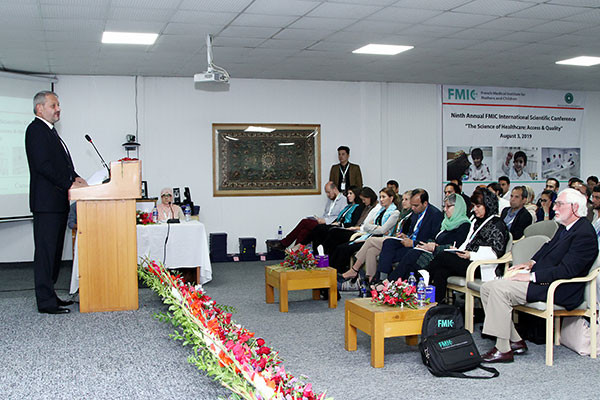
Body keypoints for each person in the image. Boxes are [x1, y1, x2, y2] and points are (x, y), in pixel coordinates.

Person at [479, 188, 598, 363]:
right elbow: (547, 247)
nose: (554, 208)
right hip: (545, 281)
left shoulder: (584, 233)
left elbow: (567, 272)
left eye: (559, 204)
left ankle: (503, 349)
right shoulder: (566, 227)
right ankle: (516, 340)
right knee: (487, 288)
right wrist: (531, 263)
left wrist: (531, 277)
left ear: (574, 207)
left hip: (560, 288)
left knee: (498, 289)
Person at [25, 90, 88, 314]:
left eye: (58, 105)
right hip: (46, 205)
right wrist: (69, 184)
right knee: (45, 253)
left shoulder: (49, 132)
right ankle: (45, 302)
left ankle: (50, 296)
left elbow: (60, 165)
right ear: (40, 108)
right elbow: (43, 166)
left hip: (56, 203)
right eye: (53, 105)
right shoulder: (36, 130)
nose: (58, 109)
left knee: (53, 254)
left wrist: (75, 177)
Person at [423, 189, 509, 303]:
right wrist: (458, 250)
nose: (475, 209)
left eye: (478, 206)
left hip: (482, 266)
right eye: (474, 206)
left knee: (443, 256)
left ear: (488, 205)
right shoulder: (476, 221)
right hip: (468, 260)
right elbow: (468, 242)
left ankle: (423, 276)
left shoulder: (497, 224)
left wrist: (470, 255)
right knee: (441, 270)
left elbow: (495, 254)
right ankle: (436, 305)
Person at [385, 193, 471, 282]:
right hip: (432, 251)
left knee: (413, 256)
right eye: (444, 206)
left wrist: (434, 247)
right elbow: (434, 237)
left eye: (448, 207)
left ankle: (391, 283)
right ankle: (398, 287)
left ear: (457, 208)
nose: (445, 210)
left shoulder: (464, 225)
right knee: (411, 254)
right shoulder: (445, 223)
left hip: (443, 256)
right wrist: (426, 245)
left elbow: (455, 247)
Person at [372, 189, 443, 281]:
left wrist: (413, 243)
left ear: (425, 203)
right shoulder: (415, 212)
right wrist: (406, 236)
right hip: (409, 243)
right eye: (412, 204)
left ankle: (384, 280)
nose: (412, 208)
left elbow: (433, 240)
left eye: (416, 205)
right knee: (388, 242)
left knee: (388, 257)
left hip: (420, 248)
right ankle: (382, 278)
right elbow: (412, 231)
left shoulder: (435, 215)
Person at [328, 187, 399, 273]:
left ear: (391, 198)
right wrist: (376, 227)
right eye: (380, 197)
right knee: (340, 247)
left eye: (384, 197)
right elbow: (366, 225)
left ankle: (347, 272)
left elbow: (382, 231)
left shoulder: (395, 213)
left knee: (345, 249)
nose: (381, 199)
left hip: (380, 240)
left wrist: (374, 227)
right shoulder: (381, 211)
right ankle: (331, 272)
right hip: (369, 236)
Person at [271, 182, 347, 250]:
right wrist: (319, 219)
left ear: (334, 189)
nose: (327, 195)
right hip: (322, 223)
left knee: (304, 222)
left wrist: (325, 221)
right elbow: (326, 214)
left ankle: (284, 243)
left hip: (330, 225)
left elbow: (340, 217)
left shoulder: (343, 200)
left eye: (328, 192)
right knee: (304, 231)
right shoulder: (330, 200)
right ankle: (295, 255)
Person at [309, 186, 365, 251]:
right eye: (347, 194)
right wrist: (334, 223)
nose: (348, 196)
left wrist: (339, 224)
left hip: (346, 228)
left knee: (325, 230)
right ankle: (317, 255)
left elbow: (353, 223)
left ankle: (322, 253)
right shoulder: (348, 206)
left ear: (356, 194)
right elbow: (340, 217)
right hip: (337, 225)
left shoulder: (359, 207)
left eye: (350, 193)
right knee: (319, 229)